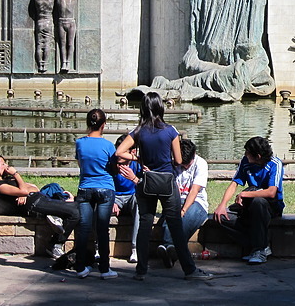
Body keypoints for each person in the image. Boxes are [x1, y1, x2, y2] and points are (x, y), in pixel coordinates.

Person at [115, 92, 212, 281]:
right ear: (161, 107)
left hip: (146, 182)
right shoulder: (170, 131)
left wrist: (138, 157)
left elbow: (119, 151)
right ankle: (189, 270)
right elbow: (177, 159)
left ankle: (141, 270)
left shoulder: (139, 131)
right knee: (175, 226)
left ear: (143, 108)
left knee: (144, 224)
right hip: (167, 183)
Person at [0, 154, 80, 258]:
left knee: (78, 207)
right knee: (75, 212)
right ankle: (55, 245)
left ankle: (56, 218)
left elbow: (34, 188)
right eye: (3, 164)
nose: (7, 166)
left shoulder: (8, 179)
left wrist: (23, 192)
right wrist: (16, 175)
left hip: (40, 198)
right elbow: (24, 190)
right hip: (34, 205)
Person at [213, 136, 284, 264]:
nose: (245, 155)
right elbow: (234, 183)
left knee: (258, 202)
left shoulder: (275, 164)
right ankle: (259, 245)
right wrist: (222, 205)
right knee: (221, 217)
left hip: (270, 206)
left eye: (248, 153)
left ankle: (259, 250)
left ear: (258, 156)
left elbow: (271, 192)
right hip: (248, 206)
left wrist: (245, 195)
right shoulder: (245, 162)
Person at [74, 109, 117, 280]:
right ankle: (105, 269)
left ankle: (80, 266)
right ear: (104, 125)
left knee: (84, 228)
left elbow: (80, 163)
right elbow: (113, 169)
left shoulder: (80, 143)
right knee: (102, 229)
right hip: (105, 188)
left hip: (85, 188)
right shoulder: (108, 145)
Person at [157, 138, 208, 268]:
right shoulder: (173, 163)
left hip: (197, 202)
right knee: (171, 216)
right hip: (176, 201)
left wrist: (183, 210)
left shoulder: (201, 164)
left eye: (187, 164)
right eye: (182, 163)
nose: (184, 166)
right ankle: (171, 250)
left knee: (183, 220)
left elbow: (194, 191)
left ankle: (168, 246)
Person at [112, 134, 141, 264]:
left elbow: (144, 186)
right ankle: (98, 248)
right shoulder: (111, 164)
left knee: (139, 205)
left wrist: (134, 178)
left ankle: (135, 248)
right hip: (115, 197)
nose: (119, 157)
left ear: (132, 152)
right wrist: (111, 199)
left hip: (131, 197)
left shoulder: (137, 164)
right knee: (101, 206)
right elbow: (105, 185)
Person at [54, 0, 78, 73]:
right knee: (62, 43)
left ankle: (68, 62)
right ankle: (63, 62)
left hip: (71, 22)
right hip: (61, 22)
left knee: (70, 43)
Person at [32, 0, 55, 73]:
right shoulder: (50, 1)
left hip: (40, 22)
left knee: (39, 44)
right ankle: (45, 65)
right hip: (49, 22)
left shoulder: (38, 0)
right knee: (47, 45)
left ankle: (39, 64)